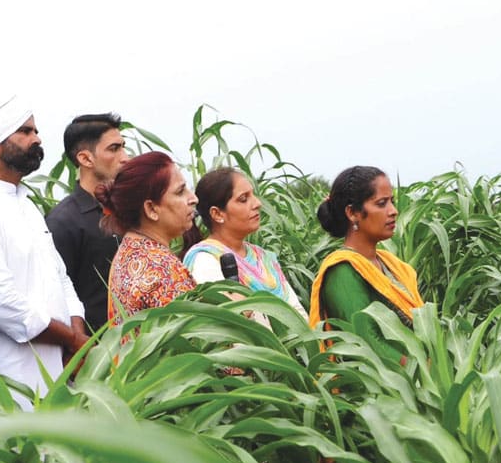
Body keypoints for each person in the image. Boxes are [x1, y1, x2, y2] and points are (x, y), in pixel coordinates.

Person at [0, 94, 87, 401]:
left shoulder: (25, 203)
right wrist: (72, 339)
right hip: (12, 379)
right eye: (25, 131)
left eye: (35, 130)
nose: (36, 139)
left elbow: (60, 277)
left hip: (61, 366)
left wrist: (75, 336)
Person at [310, 165, 424, 363]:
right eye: (381, 204)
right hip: (383, 387)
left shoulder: (390, 264)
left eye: (392, 202)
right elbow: (367, 344)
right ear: (352, 213)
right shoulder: (342, 270)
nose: (394, 211)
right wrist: (425, 370)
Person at [181, 167, 306, 317]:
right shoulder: (205, 259)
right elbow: (227, 326)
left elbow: (299, 315)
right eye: (243, 199)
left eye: (253, 195)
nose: (257, 203)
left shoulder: (263, 257)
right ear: (217, 214)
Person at [46, 113, 129, 334]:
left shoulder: (130, 212)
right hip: (97, 357)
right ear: (85, 159)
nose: (125, 157)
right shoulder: (63, 222)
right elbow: (58, 298)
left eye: (123, 147)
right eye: (114, 149)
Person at [96, 152, 198, 323]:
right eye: (180, 192)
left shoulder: (128, 250)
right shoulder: (163, 269)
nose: (193, 198)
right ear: (151, 209)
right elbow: (197, 339)